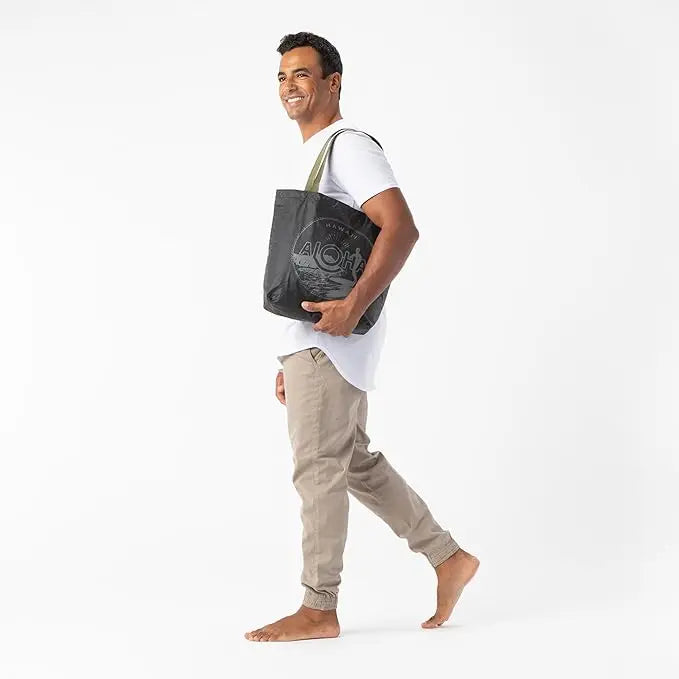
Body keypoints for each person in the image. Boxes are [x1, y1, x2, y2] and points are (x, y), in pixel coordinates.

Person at [245, 32, 480, 643]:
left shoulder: (347, 146)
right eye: (282, 76)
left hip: (332, 338)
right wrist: (292, 353)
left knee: (318, 467)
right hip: (316, 340)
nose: (289, 85)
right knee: (352, 461)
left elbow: (400, 228)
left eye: (302, 73)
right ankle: (448, 557)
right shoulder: (316, 153)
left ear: (333, 83)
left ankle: (318, 607)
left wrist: (353, 306)